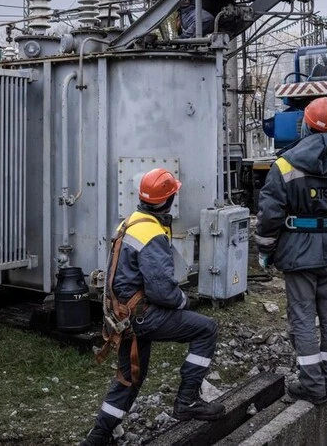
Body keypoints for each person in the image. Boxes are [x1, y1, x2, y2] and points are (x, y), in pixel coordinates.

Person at [81, 168, 225, 446]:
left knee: (130, 377)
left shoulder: (129, 222)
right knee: (206, 330)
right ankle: (187, 401)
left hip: (122, 317)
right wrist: (183, 301)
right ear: (169, 199)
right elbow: (162, 290)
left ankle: (97, 438)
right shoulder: (151, 233)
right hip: (142, 316)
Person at [255, 97, 327, 405]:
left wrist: (265, 250)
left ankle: (312, 385)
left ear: (304, 124)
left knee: (303, 317)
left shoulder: (284, 164)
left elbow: (269, 215)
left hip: (297, 253)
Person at [178, 0, 263, 38]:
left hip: (209, 18)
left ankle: (217, 38)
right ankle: (182, 41)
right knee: (206, 20)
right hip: (190, 13)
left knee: (238, 16)